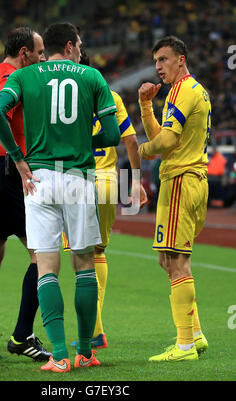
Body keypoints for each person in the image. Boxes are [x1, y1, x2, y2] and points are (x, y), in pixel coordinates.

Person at [0, 22, 121, 373]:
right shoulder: (91, 77)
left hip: (39, 178)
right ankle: (86, 352)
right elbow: (112, 135)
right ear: (70, 45)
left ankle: (60, 356)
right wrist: (81, 141)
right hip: (78, 177)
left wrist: (18, 157)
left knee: (46, 267)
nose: (82, 48)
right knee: (85, 265)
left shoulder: (25, 75)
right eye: (80, 43)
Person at [0, 27, 51, 362]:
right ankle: (21, 336)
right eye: (40, 52)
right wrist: (19, 158)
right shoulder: (14, 80)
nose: (43, 58)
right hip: (5, 172)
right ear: (24, 53)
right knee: (44, 254)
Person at [64, 49, 148, 349]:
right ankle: (96, 329)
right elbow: (131, 141)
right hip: (109, 183)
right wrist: (136, 182)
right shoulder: (110, 97)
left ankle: (93, 331)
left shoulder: (66, 101)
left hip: (76, 181)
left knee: (79, 257)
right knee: (98, 252)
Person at [138, 36, 210, 362]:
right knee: (170, 258)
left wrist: (137, 151)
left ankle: (184, 347)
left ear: (181, 59)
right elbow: (162, 137)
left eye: (164, 59)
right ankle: (194, 334)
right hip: (190, 179)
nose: (158, 67)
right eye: (156, 61)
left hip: (181, 180)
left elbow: (162, 142)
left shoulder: (183, 91)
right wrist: (145, 107)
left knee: (176, 262)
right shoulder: (194, 91)